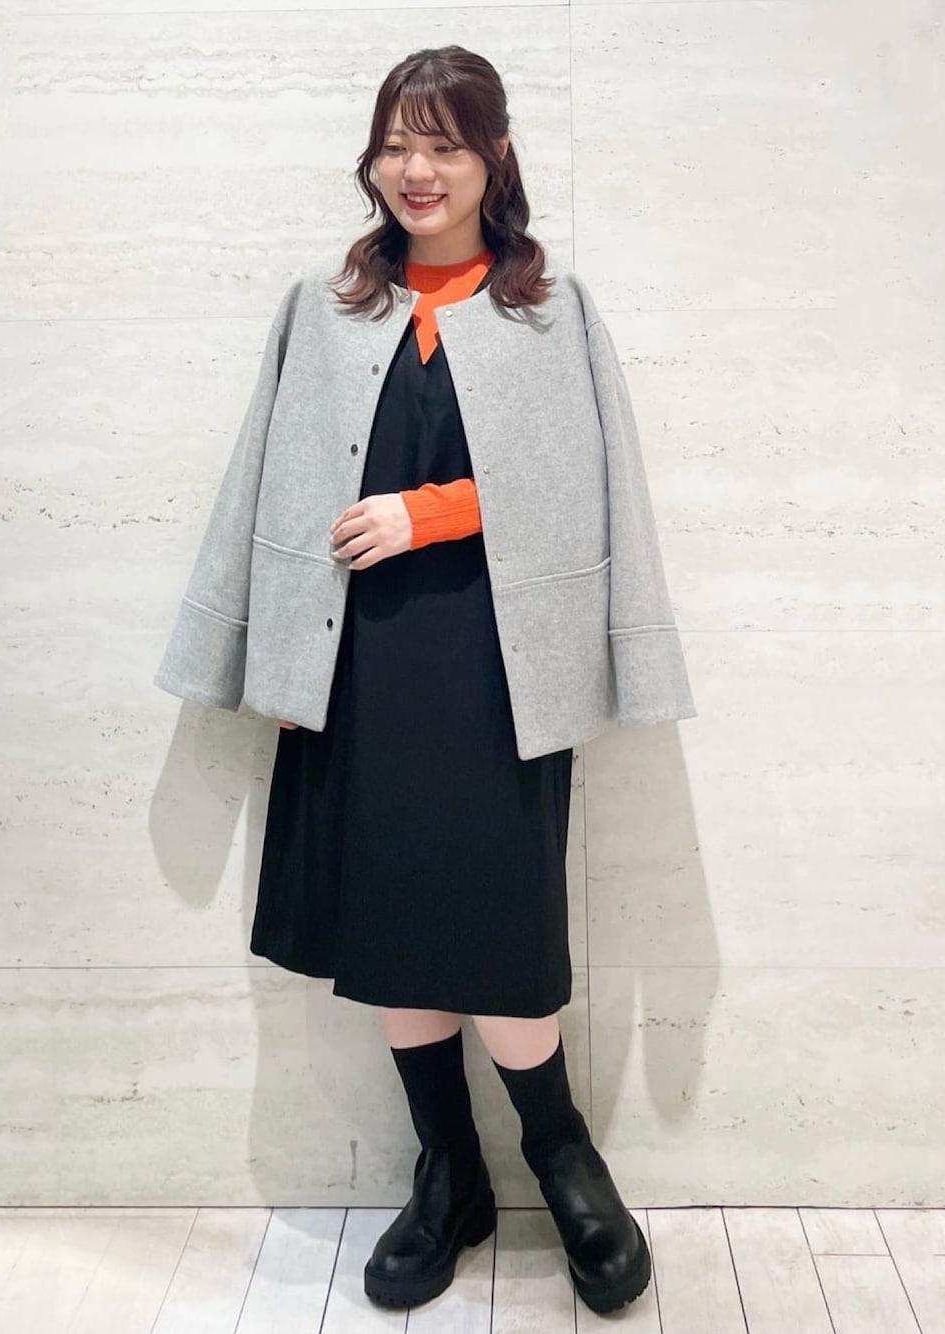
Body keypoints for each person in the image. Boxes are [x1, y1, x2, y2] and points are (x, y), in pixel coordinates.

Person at [154, 44, 696, 1318]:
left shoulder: (551, 312)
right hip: (356, 661)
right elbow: (261, 479)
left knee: (505, 933)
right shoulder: (322, 308)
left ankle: (561, 1153)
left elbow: (587, 489)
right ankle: (446, 1170)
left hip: (499, 670)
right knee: (391, 924)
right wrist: (256, 647)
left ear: (492, 156)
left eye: (444, 143)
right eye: (398, 141)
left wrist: (430, 511)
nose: (417, 168)